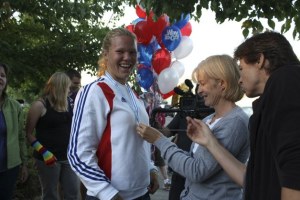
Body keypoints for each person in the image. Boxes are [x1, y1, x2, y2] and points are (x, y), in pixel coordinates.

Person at [186, 31, 300, 200]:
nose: (239, 80)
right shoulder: (274, 96)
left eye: (241, 68)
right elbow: (253, 180)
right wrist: (211, 143)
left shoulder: (286, 79)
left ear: (260, 60)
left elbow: (295, 171)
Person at [137, 54, 250, 200]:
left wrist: (159, 140)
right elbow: (193, 160)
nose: (199, 91)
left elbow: (197, 171)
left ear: (222, 83)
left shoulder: (235, 123)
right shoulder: (210, 119)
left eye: (203, 83)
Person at [67, 27, 159, 200]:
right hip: (110, 196)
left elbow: (139, 141)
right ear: (106, 54)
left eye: (132, 52)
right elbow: (78, 154)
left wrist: (150, 168)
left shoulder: (133, 94)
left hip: (141, 193)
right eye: (120, 51)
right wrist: (107, 192)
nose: (127, 57)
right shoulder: (95, 91)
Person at [26, 72, 80, 200]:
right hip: (48, 159)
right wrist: (44, 152)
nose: (70, 91)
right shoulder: (39, 105)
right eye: (67, 87)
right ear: (59, 87)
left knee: (73, 193)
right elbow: (28, 134)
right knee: (50, 194)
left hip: (68, 157)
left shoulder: (68, 104)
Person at [0, 63, 28, 200]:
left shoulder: (15, 106)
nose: (0, 78)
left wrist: (24, 164)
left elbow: (21, 137)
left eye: (2, 75)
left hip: (10, 167)